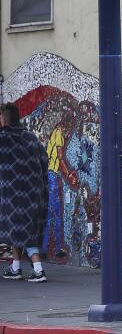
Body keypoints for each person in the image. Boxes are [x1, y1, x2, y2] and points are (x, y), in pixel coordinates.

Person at [0, 103, 49, 283]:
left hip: (11, 194)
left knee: (22, 231)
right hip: (33, 191)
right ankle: (16, 267)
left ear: (4, 118)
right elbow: (44, 160)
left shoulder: (3, 138)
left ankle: (38, 269)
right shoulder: (30, 137)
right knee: (22, 229)